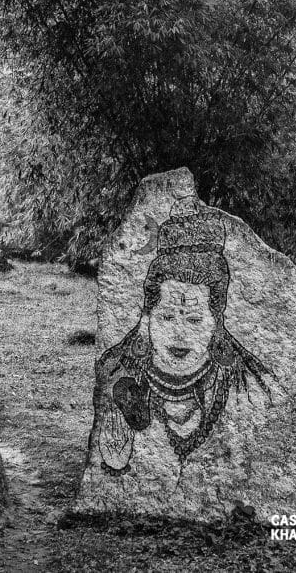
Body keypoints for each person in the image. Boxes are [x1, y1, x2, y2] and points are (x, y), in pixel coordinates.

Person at [89, 197, 272, 475]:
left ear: (217, 321)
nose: (179, 333)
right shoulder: (119, 377)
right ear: (147, 318)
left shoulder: (248, 386)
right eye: (167, 317)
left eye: (195, 320)